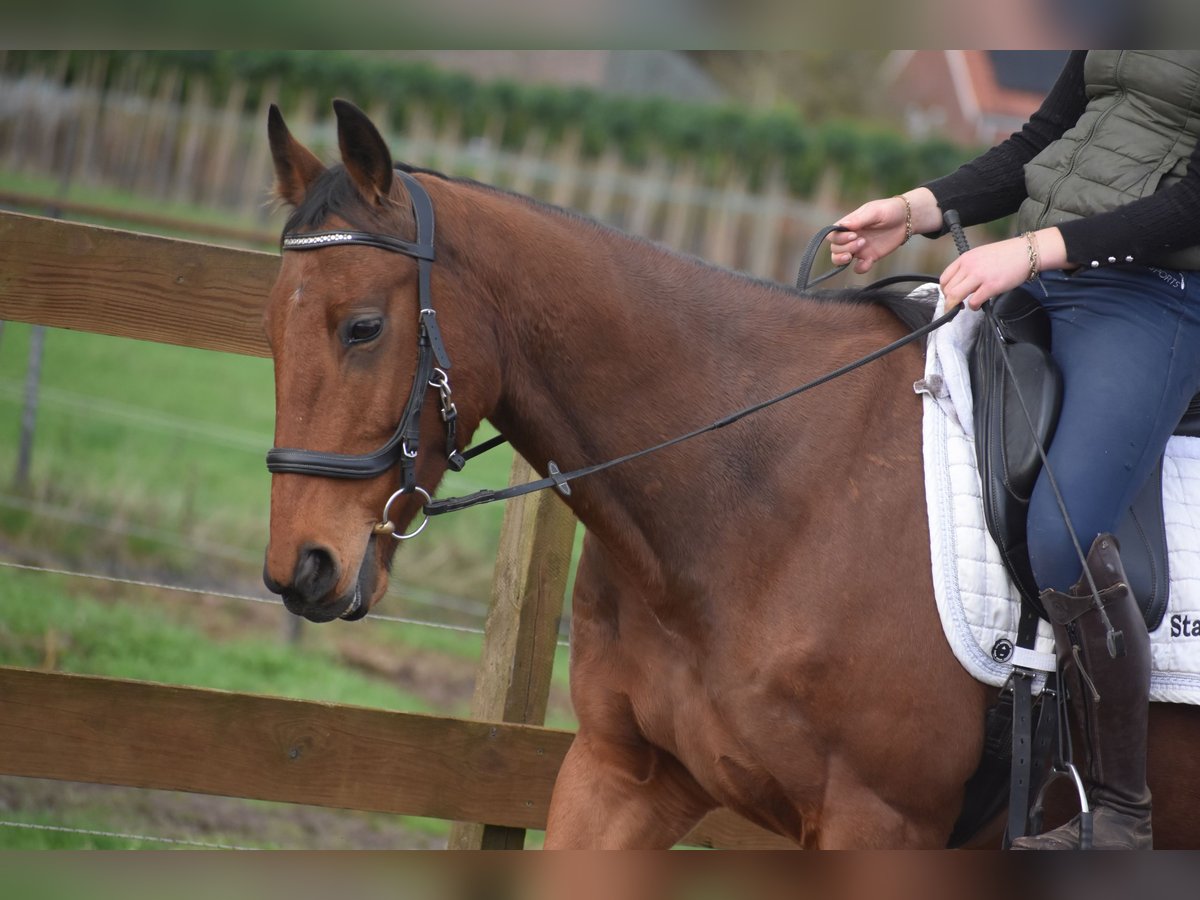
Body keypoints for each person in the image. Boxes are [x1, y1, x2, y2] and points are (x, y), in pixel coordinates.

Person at [830, 51, 1200, 850]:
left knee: (1064, 532)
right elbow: (1040, 139)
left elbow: (1192, 207)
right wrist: (917, 206)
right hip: (1045, 277)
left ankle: (1119, 815)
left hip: (1154, 300)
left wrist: (1034, 251)